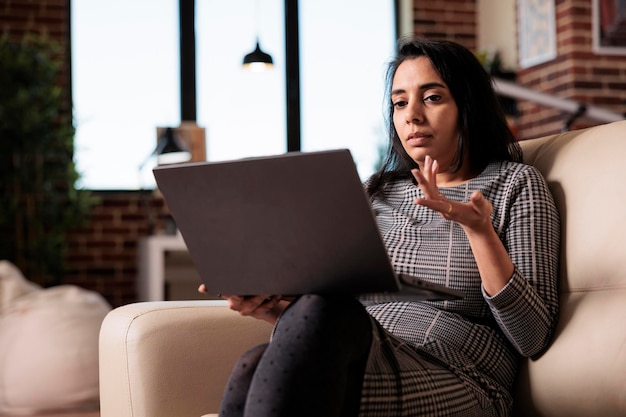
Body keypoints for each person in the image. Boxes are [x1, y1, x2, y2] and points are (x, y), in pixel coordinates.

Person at [200, 36, 560, 417]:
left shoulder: (514, 184)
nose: (412, 115)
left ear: (468, 105)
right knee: (254, 363)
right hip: (364, 350)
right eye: (400, 102)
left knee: (288, 344)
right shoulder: (376, 190)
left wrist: (479, 232)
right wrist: (269, 307)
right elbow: (329, 319)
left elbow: (532, 337)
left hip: (457, 373)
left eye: (432, 98)